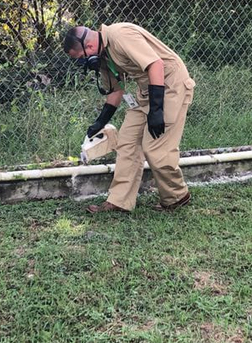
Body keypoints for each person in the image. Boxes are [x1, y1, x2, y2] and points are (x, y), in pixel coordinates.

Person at [63, 22, 196, 213]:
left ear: (89, 47)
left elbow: (155, 64)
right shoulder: (103, 56)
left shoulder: (120, 35)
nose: (83, 62)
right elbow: (116, 91)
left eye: (82, 57)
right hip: (147, 91)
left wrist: (156, 110)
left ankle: (177, 196)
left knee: (155, 148)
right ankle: (119, 201)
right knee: (126, 142)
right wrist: (100, 122)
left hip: (170, 85)